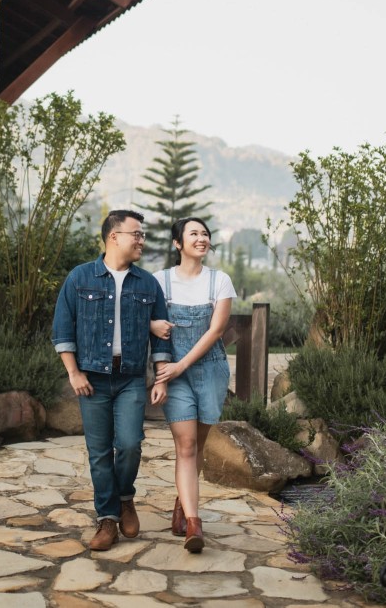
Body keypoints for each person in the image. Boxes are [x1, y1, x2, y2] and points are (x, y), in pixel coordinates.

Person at [52, 209, 172, 551]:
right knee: (99, 452)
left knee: (130, 444)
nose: (142, 240)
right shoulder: (80, 277)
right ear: (113, 236)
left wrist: (161, 378)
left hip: (130, 377)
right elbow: (62, 329)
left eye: (143, 235)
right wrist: (74, 372)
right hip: (92, 378)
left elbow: (162, 337)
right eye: (137, 234)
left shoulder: (147, 283)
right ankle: (107, 519)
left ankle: (124, 497)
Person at [151, 216, 235, 553]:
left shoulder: (220, 281)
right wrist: (164, 368)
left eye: (205, 234)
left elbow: (216, 331)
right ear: (177, 243)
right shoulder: (160, 282)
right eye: (194, 233)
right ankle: (193, 524)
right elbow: (150, 325)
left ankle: (182, 503)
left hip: (209, 370)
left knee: (198, 446)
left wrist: (181, 366)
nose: (201, 238)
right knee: (185, 446)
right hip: (174, 374)